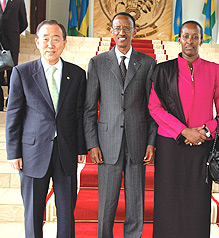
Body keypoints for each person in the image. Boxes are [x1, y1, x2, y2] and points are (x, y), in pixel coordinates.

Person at [148, 20, 219, 238]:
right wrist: (184, 131)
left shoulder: (214, 70)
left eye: (195, 37)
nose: (190, 41)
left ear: (201, 40)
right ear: (179, 38)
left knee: (197, 200)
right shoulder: (163, 70)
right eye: (186, 36)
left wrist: (206, 130)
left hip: (201, 145)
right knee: (168, 198)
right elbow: (154, 107)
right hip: (170, 144)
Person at [6, 20, 87, 238]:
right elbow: (14, 114)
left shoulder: (77, 74)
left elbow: (79, 114)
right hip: (32, 153)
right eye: (45, 39)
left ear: (64, 43)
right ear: (37, 42)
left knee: (66, 214)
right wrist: (13, 152)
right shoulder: (22, 73)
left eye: (56, 39)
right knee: (33, 214)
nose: (50, 44)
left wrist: (81, 147)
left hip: (66, 152)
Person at [84, 12, 157, 238]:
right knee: (107, 200)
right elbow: (89, 108)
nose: (122, 33)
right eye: (117, 28)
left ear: (134, 31)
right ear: (111, 31)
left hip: (138, 140)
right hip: (107, 143)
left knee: (136, 200)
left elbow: (152, 108)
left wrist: (151, 143)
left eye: (127, 28)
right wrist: (92, 143)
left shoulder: (147, 63)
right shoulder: (97, 63)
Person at [0, 0, 28, 110]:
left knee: (12, 74)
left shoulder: (18, 1)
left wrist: (14, 32)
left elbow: (24, 23)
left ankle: (11, 102)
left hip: (12, 43)